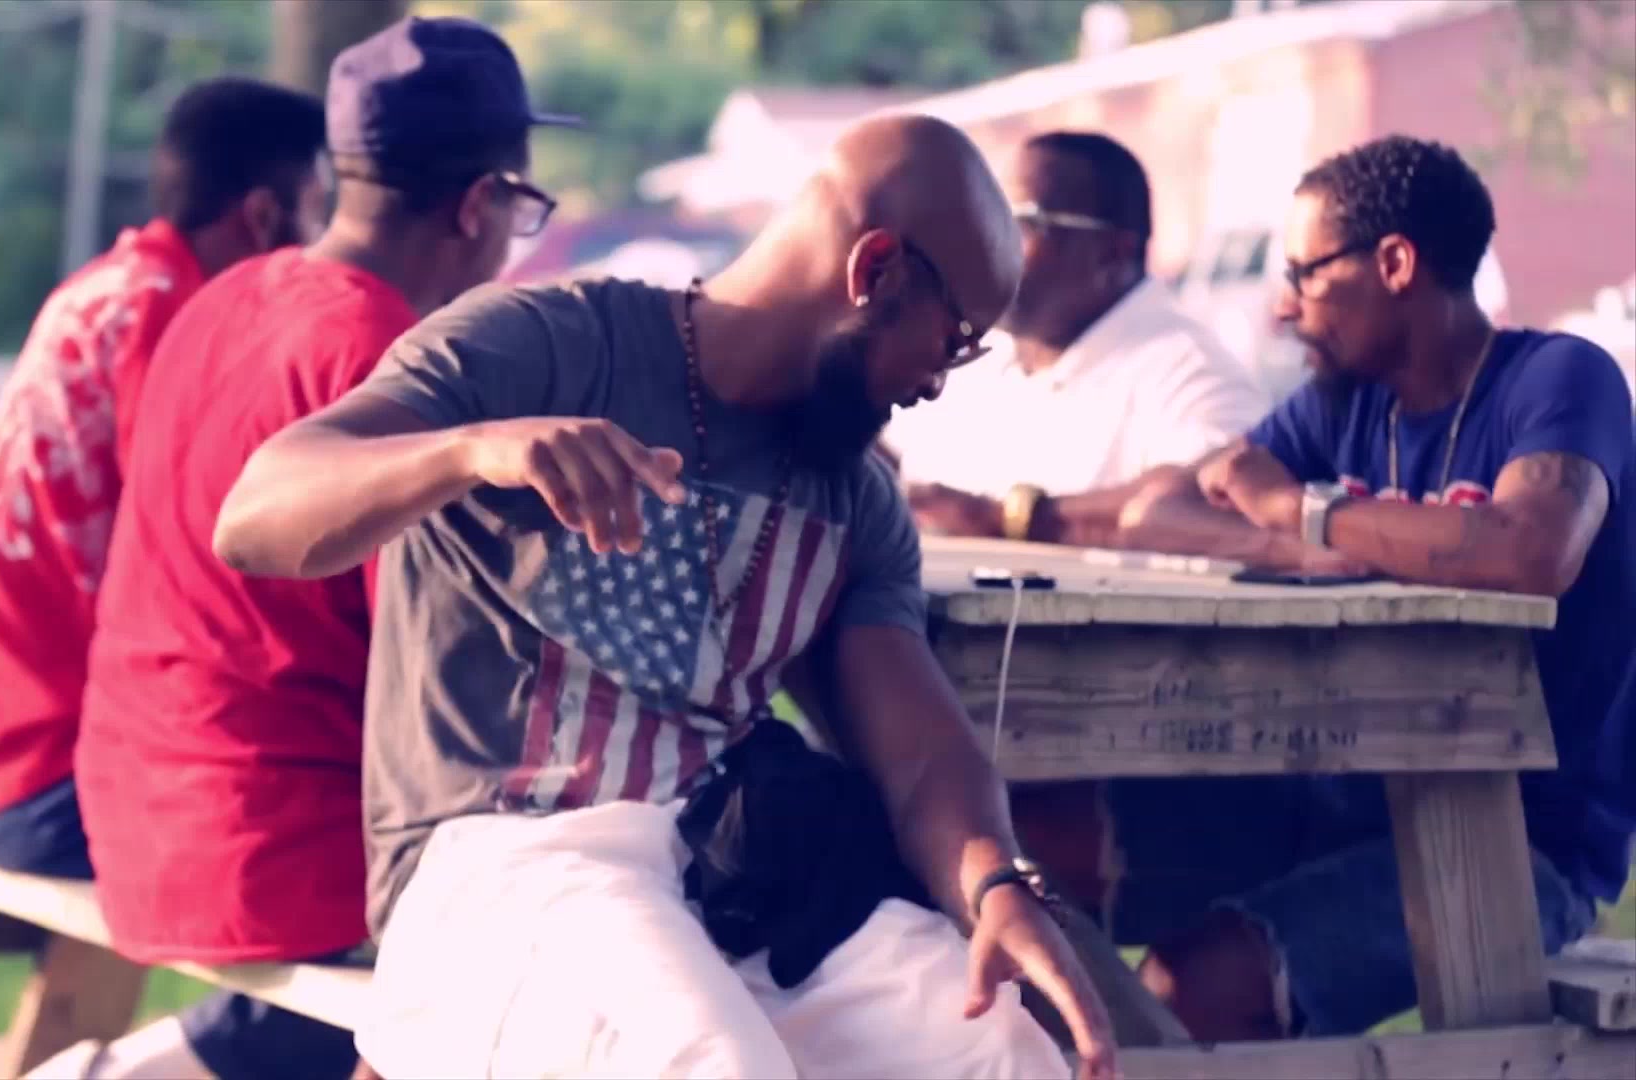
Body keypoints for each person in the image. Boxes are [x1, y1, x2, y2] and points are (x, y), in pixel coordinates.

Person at [213, 114, 1119, 1080]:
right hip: (501, 864)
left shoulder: (855, 499)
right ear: (876, 268)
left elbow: (921, 755)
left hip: (728, 875)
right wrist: (468, 451)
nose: (939, 384)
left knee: (998, 1054)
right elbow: (256, 516)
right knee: (713, 1063)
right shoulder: (544, 347)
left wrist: (994, 885)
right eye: (954, 340)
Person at [36, 16, 575, 1080]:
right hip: (272, 857)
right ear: (479, 205)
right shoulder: (392, 368)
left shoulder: (224, 297)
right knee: (593, 921)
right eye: (522, 206)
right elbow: (450, 682)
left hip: (133, 810)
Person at [1005, 135, 1631, 1041]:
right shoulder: (1344, 404)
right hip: (1334, 795)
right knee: (1025, 848)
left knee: (1188, 988)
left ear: (1395, 263)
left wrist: (1307, 512)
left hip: (1521, 841)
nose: (1282, 304)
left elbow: (1533, 548)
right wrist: (1308, 544)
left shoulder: (1558, 379)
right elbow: (1159, 509)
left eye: (1304, 274)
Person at [0, 77, 327, 878]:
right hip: (48, 780)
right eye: (320, 213)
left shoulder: (108, 287)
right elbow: (200, 569)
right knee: (346, 836)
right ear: (262, 216)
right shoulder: (175, 319)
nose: (323, 244)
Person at [886, 131, 1266, 539]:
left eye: (1020, 224)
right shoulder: (977, 356)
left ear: (1113, 252)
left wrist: (1005, 518)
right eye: (985, 221)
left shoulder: (1195, 376)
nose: (986, 245)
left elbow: (1215, 500)